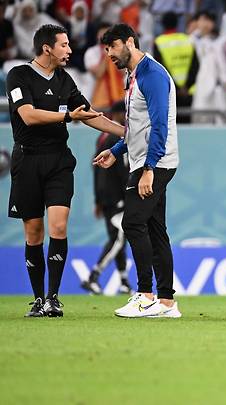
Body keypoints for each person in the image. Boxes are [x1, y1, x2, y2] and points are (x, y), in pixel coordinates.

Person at [6, 24, 124, 317]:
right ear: (47, 48)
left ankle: (53, 297)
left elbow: (88, 115)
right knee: (34, 232)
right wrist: (67, 115)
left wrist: (128, 133)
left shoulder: (64, 80)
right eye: (64, 45)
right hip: (27, 161)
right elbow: (28, 115)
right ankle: (36, 299)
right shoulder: (18, 75)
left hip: (58, 161)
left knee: (58, 226)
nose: (70, 50)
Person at [94, 23, 181, 318]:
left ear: (129, 42)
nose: (109, 54)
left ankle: (145, 295)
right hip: (146, 161)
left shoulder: (152, 75)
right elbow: (135, 127)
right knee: (156, 229)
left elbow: (160, 125)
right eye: (106, 50)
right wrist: (116, 150)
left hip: (154, 163)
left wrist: (149, 169)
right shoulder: (134, 75)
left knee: (132, 223)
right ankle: (167, 302)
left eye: (113, 47)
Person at [81, 101, 133, 295]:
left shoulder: (102, 137)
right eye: (125, 113)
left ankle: (124, 282)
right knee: (119, 238)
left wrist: (97, 199)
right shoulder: (116, 138)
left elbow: (95, 169)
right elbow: (122, 171)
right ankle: (93, 276)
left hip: (105, 197)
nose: (126, 117)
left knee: (116, 236)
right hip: (117, 197)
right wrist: (129, 195)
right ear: (119, 114)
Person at [153, 11, 199, 123]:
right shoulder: (187, 39)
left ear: (162, 24)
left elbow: (160, 69)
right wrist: (186, 87)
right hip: (189, 93)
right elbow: (195, 66)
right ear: (177, 24)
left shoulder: (159, 42)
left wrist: (177, 88)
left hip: (171, 93)